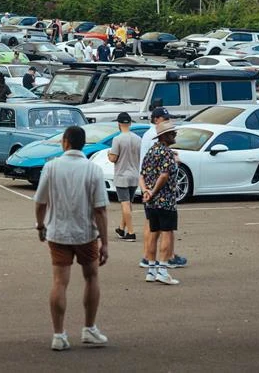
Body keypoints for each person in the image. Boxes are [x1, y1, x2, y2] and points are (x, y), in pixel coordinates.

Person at [34, 125, 110, 351]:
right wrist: (105, 242)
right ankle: (89, 329)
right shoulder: (93, 170)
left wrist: (40, 225)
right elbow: (100, 209)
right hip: (86, 233)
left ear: (65, 142)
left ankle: (59, 335)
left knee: (59, 282)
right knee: (91, 277)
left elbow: (40, 202)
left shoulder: (51, 167)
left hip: (58, 233)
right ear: (83, 144)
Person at [138, 119, 180, 285]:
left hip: (150, 201)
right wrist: (154, 191)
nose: (175, 135)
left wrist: (146, 192)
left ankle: (151, 269)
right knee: (167, 232)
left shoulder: (151, 151)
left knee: (153, 233)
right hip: (165, 200)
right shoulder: (167, 153)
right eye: (172, 133)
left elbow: (141, 175)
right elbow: (164, 175)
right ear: (165, 136)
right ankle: (162, 270)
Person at [107, 112, 141, 241]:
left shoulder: (118, 139)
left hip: (122, 175)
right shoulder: (138, 139)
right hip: (134, 174)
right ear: (130, 123)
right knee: (129, 203)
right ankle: (121, 228)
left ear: (119, 124)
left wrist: (109, 154)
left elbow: (113, 158)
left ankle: (131, 232)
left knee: (125, 204)